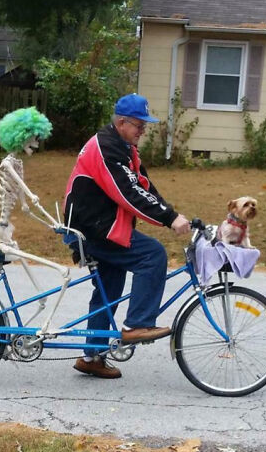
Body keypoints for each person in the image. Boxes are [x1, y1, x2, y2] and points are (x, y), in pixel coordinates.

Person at [64, 93, 191, 379]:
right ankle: (138, 325)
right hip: (94, 228)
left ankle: (92, 357)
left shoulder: (122, 147)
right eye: (138, 125)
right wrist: (169, 219)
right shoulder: (107, 149)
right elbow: (128, 193)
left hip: (100, 225)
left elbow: (143, 185)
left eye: (145, 125)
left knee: (109, 289)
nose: (143, 130)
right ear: (121, 122)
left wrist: (171, 213)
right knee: (152, 255)